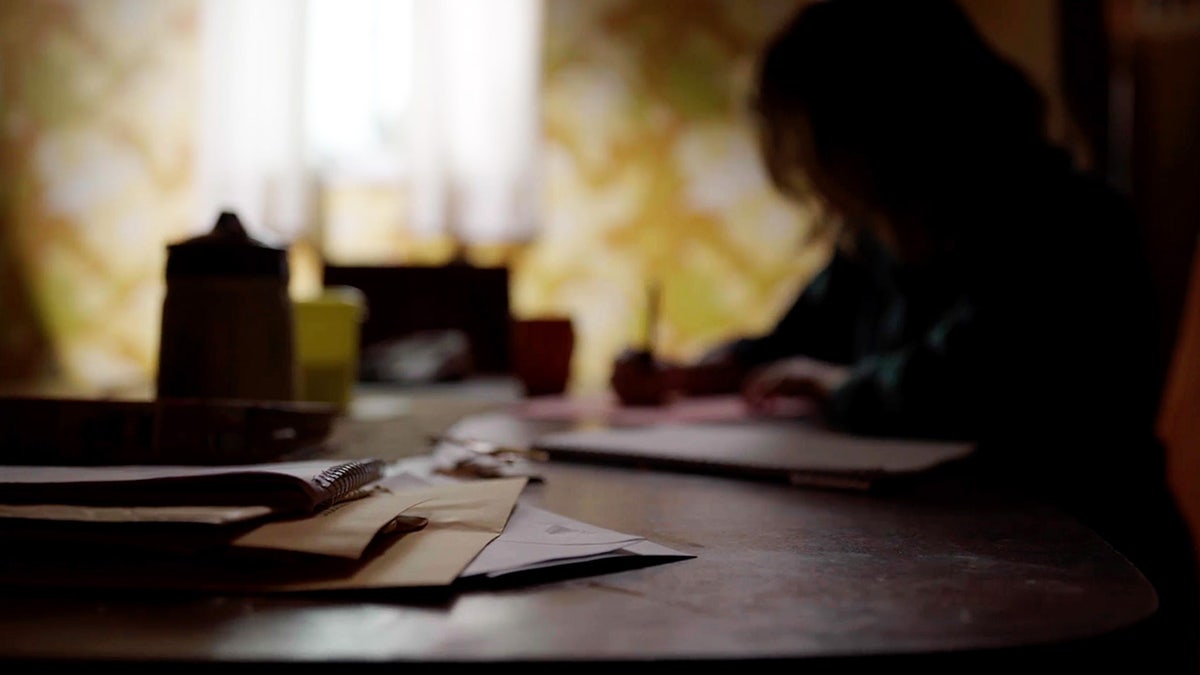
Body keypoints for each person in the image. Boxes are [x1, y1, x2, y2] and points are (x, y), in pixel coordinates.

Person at [610, 0, 1199, 665]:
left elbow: (965, 381)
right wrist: (694, 371)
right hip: (949, 560)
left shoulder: (1073, 225)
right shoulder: (880, 241)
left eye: (817, 149)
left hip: (1086, 586)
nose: (816, 182)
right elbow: (790, 343)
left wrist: (839, 385)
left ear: (883, 128)